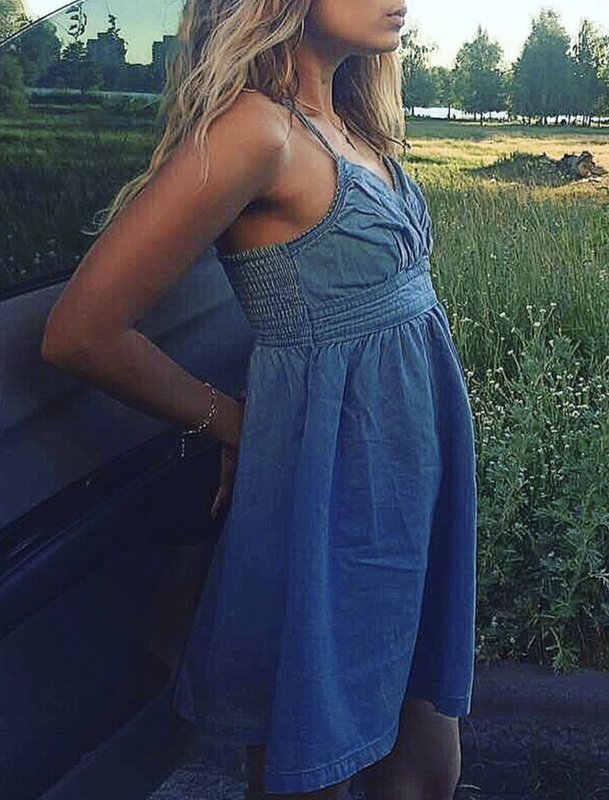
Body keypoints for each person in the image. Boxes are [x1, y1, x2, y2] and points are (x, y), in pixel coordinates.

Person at [40, 1, 477, 798]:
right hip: (331, 500)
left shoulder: (349, 125)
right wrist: (235, 422)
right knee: (314, 763)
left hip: (409, 488)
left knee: (424, 766)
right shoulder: (256, 132)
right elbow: (80, 332)